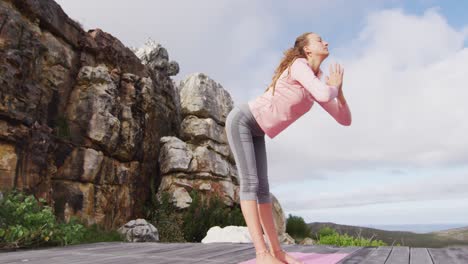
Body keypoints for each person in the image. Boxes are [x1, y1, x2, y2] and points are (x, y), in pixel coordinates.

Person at [225, 32, 352, 264]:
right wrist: (332, 89)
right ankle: (261, 254)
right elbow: (325, 92)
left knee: (263, 189)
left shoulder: (316, 79)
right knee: (251, 185)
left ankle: (277, 252)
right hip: (242, 120)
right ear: (307, 50)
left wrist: (340, 92)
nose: (326, 42)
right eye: (319, 40)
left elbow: (344, 119)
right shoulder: (299, 65)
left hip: (257, 130)